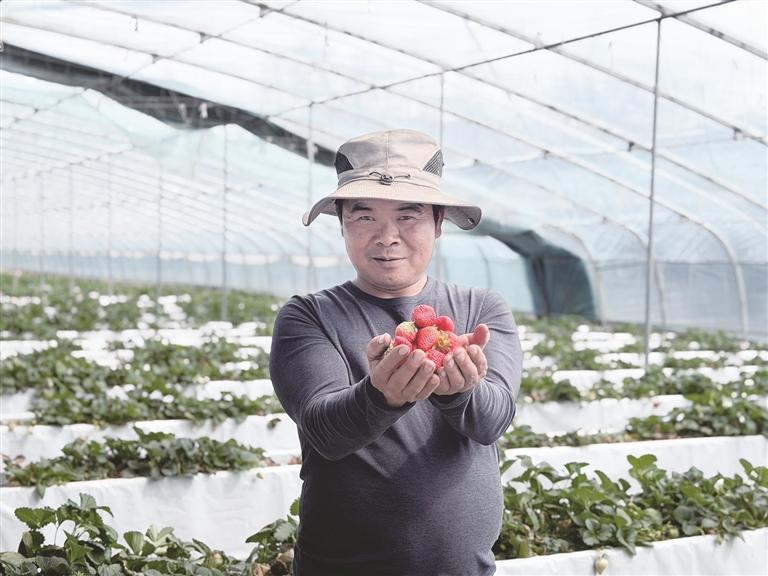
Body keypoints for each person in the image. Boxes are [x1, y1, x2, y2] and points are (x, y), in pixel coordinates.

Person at [270, 129, 522, 576]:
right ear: (342, 223)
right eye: (364, 216)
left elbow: (492, 421)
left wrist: (459, 392)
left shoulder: (482, 310)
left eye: (409, 216)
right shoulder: (308, 316)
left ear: (438, 223)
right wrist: (379, 396)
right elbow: (325, 432)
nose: (387, 237)